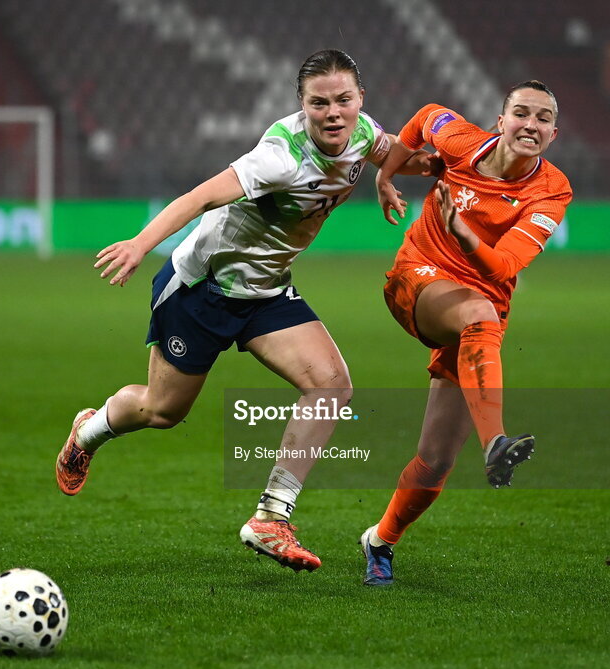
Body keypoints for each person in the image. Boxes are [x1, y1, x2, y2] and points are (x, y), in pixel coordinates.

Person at [55, 49, 430, 572]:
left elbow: (395, 153)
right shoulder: (279, 156)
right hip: (202, 291)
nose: (333, 113)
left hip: (266, 292)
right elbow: (203, 197)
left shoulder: (362, 132)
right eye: (318, 103)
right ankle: (89, 432)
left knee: (331, 385)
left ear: (360, 99)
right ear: (302, 105)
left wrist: (421, 169)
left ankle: (271, 518)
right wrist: (142, 244)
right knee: (163, 411)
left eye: (344, 100)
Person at [359, 81, 573, 585]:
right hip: (418, 280)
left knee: (434, 462)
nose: (531, 125)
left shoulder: (552, 190)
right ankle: (495, 440)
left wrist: (465, 233)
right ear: (500, 121)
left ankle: (380, 541)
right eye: (521, 113)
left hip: (477, 315)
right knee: (480, 314)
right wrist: (386, 176)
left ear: (553, 134)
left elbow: (502, 267)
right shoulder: (460, 142)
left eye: (543, 119)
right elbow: (424, 115)